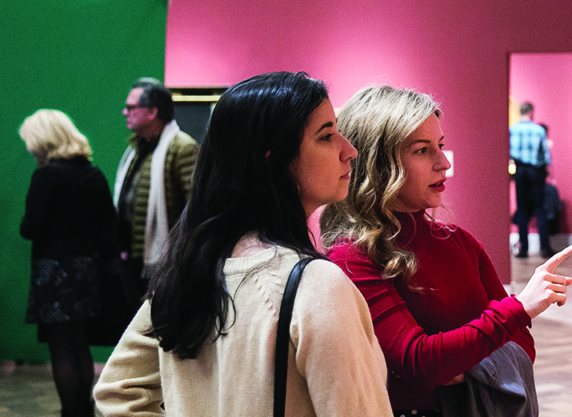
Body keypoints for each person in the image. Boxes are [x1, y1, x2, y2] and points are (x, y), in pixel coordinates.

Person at [93, 71, 392, 416]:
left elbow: (118, 389)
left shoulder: (192, 270)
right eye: (326, 136)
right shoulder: (318, 287)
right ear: (273, 161)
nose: (349, 150)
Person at [320, 85, 572, 415]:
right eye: (422, 150)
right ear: (378, 164)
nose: (443, 163)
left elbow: (521, 345)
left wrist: (465, 365)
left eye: (440, 146)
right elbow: (419, 363)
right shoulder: (352, 258)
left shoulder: (460, 242)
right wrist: (518, 309)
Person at [19, 109, 118, 417]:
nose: (30, 149)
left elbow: (29, 228)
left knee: (60, 347)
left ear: (44, 141)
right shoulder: (93, 173)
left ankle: (69, 411)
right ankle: (85, 409)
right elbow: (108, 225)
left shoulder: (47, 176)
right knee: (80, 342)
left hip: (53, 269)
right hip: (86, 268)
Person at [114, 77, 198, 300]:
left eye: (131, 107)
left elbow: (197, 206)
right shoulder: (136, 149)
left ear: (152, 112)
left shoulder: (182, 147)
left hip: (166, 262)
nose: (125, 112)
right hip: (134, 260)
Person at [509, 101, 555, 258]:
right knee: (540, 208)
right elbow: (545, 155)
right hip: (536, 171)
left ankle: (523, 249)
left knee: (521, 209)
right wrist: (548, 171)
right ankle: (544, 248)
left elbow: (509, 152)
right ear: (531, 112)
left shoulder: (512, 130)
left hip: (520, 170)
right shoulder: (538, 130)